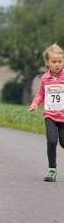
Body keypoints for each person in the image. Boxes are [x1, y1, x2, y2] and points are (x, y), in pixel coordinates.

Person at [29, 44, 64, 182]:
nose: (57, 65)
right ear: (47, 63)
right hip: (50, 115)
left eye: (60, 61)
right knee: (51, 141)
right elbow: (40, 95)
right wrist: (34, 104)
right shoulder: (44, 78)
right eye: (54, 62)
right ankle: (52, 169)